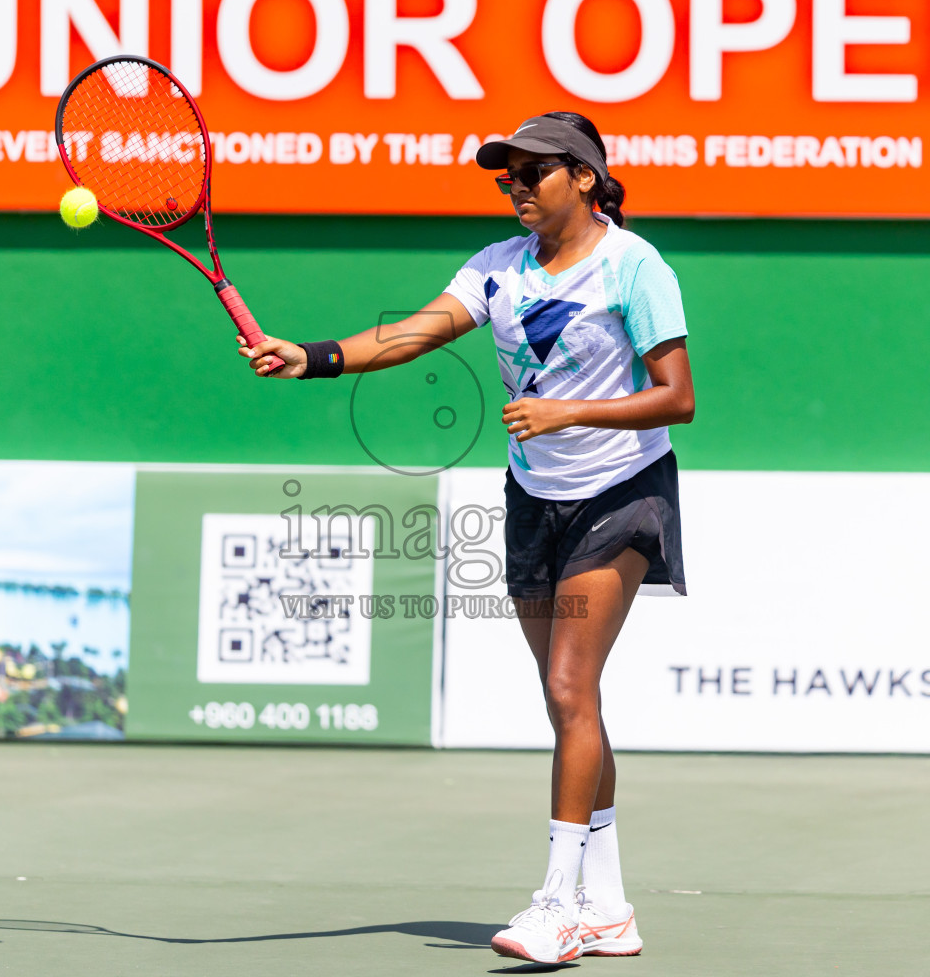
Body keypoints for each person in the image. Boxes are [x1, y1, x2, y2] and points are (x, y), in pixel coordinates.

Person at [238, 111, 695, 964]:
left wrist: (569, 411)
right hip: (534, 496)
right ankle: (613, 906)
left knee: (568, 690)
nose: (516, 186)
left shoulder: (635, 267)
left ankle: (557, 905)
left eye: (533, 172)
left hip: (624, 491)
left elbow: (678, 396)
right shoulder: (496, 270)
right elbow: (413, 333)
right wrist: (312, 356)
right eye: (506, 177)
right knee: (572, 706)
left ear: (585, 178)